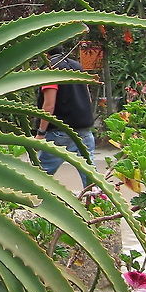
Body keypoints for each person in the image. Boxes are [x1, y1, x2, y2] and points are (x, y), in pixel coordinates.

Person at [35, 45, 95, 188]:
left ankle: (31, 198)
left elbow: (49, 105)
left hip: (60, 131)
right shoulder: (77, 66)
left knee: (41, 175)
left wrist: (41, 132)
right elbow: (88, 98)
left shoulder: (51, 69)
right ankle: (96, 200)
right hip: (84, 130)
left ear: (45, 52)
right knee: (90, 177)